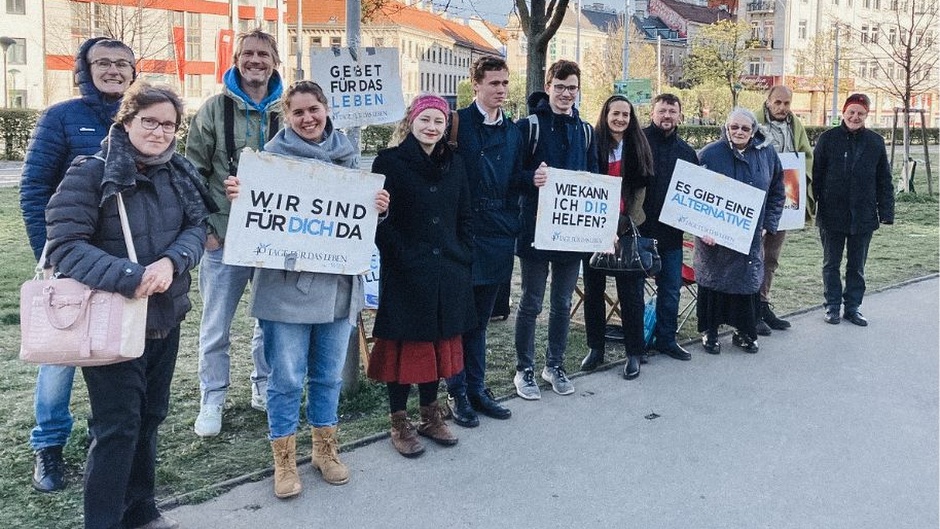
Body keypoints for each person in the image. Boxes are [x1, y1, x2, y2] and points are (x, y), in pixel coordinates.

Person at [44, 80, 210, 529]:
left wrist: (172, 263)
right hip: (111, 319)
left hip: (164, 317)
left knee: (151, 418)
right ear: (127, 121)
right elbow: (65, 245)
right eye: (149, 122)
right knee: (117, 428)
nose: (159, 132)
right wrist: (131, 277)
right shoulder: (90, 173)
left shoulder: (179, 172)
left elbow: (198, 229)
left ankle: (140, 513)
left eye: (169, 125)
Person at [223, 80, 389, 498]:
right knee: (287, 378)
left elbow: (355, 228)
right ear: (286, 116)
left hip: (337, 287)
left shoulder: (349, 157)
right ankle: (283, 459)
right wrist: (241, 200)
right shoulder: (266, 163)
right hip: (285, 292)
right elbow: (255, 225)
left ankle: (324, 450)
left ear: (326, 108)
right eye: (297, 112)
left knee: (328, 375)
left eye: (313, 109)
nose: (308, 118)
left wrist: (378, 212)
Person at [19, 36, 136, 493]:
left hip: (122, 261)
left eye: (122, 64)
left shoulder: (135, 119)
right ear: (84, 69)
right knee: (60, 358)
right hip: (70, 261)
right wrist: (47, 255)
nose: (113, 70)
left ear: (132, 71)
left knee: (113, 352)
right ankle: (48, 447)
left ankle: (100, 438)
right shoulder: (61, 118)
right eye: (102, 63)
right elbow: (33, 191)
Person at [186, 28, 283, 437]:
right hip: (223, 237)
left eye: (264, 53)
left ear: (275, 60)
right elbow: (192, 173)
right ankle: (213, 398)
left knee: (269, 320)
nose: (256, 60)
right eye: (249, 54)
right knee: (215, 325)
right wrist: (205, 227)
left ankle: (263, 386)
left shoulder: (288, 109)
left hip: (274, 238)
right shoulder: (213, 110)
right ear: (237, 59)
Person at [367, 94, 476, 458]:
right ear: (411, 121)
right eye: (425, 119)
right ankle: (399, 420)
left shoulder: (455, 163)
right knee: (404, 346)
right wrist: (402, 254)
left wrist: (461, 253)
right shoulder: (390, 162)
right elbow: (378, 218)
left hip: (447, 268)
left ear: (446, 127)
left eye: (438, 122)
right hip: (405, 269)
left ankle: (430, 414)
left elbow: (465, 214)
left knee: (437, 344)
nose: (431, 127)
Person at [444, 56, 523, 427]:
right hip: (463, 231)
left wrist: (533, 178)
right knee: (459, 319)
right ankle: (456, 390)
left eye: (505, 83)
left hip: (497, 235)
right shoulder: (457, 122)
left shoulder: (513, 131)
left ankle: (476, 388)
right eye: (494, 83)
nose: (501, 90)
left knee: (481, 320)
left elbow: (515, 178)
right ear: (476, 85)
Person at [513, 59, 598, 400]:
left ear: (578, 91)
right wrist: (530, 178)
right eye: (560, 87)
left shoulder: (586, 130)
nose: (566, 94)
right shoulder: (528, 126)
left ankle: (555, 365)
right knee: (532, 302)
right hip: (535, 231)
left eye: (572, 88)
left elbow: (593, 179)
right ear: (547, 86)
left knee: (562, 302)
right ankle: (525, 369)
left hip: (572, 233)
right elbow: (512, 175)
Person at [695, 108, 785, 354]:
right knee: (713, 282)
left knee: (745, 284)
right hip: (713, 238)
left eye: (745, 128)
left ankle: (744, 331)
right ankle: (710, 332)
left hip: (750, 235)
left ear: (754, 130)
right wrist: (701, 227)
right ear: (726, 128)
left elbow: (778, 190)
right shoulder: (710, 154)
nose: (739, 132)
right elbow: (692, 193)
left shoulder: (766, 154)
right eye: (734, 127)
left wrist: (769, 222)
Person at [580, 95, 654, 380]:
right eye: (615, 113)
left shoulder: (637, 145)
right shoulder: (593, 143)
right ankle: (595, 347)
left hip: (627, 227)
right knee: (593, 290)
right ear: (606, 114)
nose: (620, 119)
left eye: (625, 114)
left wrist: (625, 224)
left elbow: (641, 189)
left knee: (631, 293)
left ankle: (634, 352)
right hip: (594, 227)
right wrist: (601, 224)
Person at [812, 93, 894, 326]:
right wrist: (810, 206)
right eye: (851, 112)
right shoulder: (828, 139)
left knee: (857, 265)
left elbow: (883, 179)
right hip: (831, 213)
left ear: (866, 115)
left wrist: (886, 211)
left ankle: (853, 307)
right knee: (831, 263)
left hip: (863, 214)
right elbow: (816, 175)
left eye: (860, 113)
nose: (855, 117)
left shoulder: (875, 142)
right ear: (843, 113)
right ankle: (832, 305)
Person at [640, 94, 699, 361]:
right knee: (633, 289)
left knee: (671, 289)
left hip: (672, 233)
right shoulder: (637, 141)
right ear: (652, 113)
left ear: (679, 115)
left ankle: (667, 339)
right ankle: (636, 342)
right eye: (662, 110)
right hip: (639, 230)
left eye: (672, 111)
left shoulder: (687, 152)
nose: (667, 116)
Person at [753, 85, 814, 335]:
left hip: (785, 200)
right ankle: (750, 309)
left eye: (786, 103)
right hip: (756, 201)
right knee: (752, 257)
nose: (782, 108)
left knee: (771, 257)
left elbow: (806, 157)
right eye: (777, 102)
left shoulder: (795, 125)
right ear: (768, 102)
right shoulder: (753, 121)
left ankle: (764, 303)